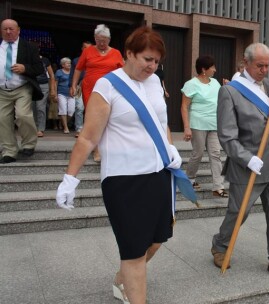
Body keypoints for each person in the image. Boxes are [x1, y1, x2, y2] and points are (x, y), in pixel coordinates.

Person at [56, 26, 180, 304]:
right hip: (124, 180)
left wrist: (171, 149)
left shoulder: (155, 83)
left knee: (157, 240)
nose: (152, 66)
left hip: (159, 174)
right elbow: (88, 138)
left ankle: (123, 278)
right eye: (147, 59)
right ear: (129, 53)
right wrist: (70, 178)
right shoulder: (107, 85)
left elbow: (162, 123)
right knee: (134, 251)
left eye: (157, 61)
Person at [211, 42, 269, 279]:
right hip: (248, 166)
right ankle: (220, 245)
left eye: (267, 66)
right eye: (259, 66)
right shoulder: (230, 91)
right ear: (246, 63)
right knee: (239, 213)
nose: (264, 70)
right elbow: (227, 136)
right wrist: (246, 158)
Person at [70, 24, 124, 161]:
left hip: (111, 90)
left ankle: (109, 147)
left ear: (109, 40)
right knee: (94, 119)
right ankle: (97, 150)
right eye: (99, 40)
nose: (101, 43)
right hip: (91, 89)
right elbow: (78, 68)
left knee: (110, 118)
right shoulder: (88, 51)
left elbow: (123, 72)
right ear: (95, 38)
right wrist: (74, 85)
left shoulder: (116, 53)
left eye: (104, 41)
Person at [181, 55, 228, 197]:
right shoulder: (191, 84)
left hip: (214, 124)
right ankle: (190, 178)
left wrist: (226, 87)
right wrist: (186, 127)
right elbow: (184, 106)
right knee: (198, 153)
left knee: (216, 154)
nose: (215, 70)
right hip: (198, 124)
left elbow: (220, 99)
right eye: (212, 67)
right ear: (203, 69)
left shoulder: (215, 83)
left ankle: (218, 187)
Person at [0, 19, 44, 164]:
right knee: (3, 120)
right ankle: (9, 151)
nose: (8, 32)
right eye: (5, 29)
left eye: (11, 29)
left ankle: (29, 144)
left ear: (18, 30)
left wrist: (25, 68)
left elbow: (39, 69)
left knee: (23, 115)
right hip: (2, 90)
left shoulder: (29, 47)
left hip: (22, 87)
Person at [32, 42, 56, 138]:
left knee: (40, 107)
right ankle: (33, 127)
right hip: (31, 85)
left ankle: (40, 129)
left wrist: (53, 89)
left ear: (38, 49)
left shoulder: (45, 60)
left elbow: (51, 75)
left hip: (43, 85)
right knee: (32, 108)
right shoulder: (28, 59)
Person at [69, 41, 92, 138]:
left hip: (92, 86)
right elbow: (72, 74)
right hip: (79, 86)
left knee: (91, 108)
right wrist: (71, 86)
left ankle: (90, 129)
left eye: (89, 48)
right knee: (79, 107)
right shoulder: (76, 60)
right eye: (85, 47)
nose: (87, 49)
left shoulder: (94, 59)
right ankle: (79, 128)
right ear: (82, 48)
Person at [55, 57, 75, 134]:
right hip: (61, 93)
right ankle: (66, 127)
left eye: (69, 63)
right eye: (67, 63)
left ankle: (62, 122)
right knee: (63, 110)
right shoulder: (59, 72)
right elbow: (55, 83)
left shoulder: (73, 72)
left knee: (71, 111)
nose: (69, 64)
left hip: (71, 94)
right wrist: (55, 94)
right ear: (63, 65)